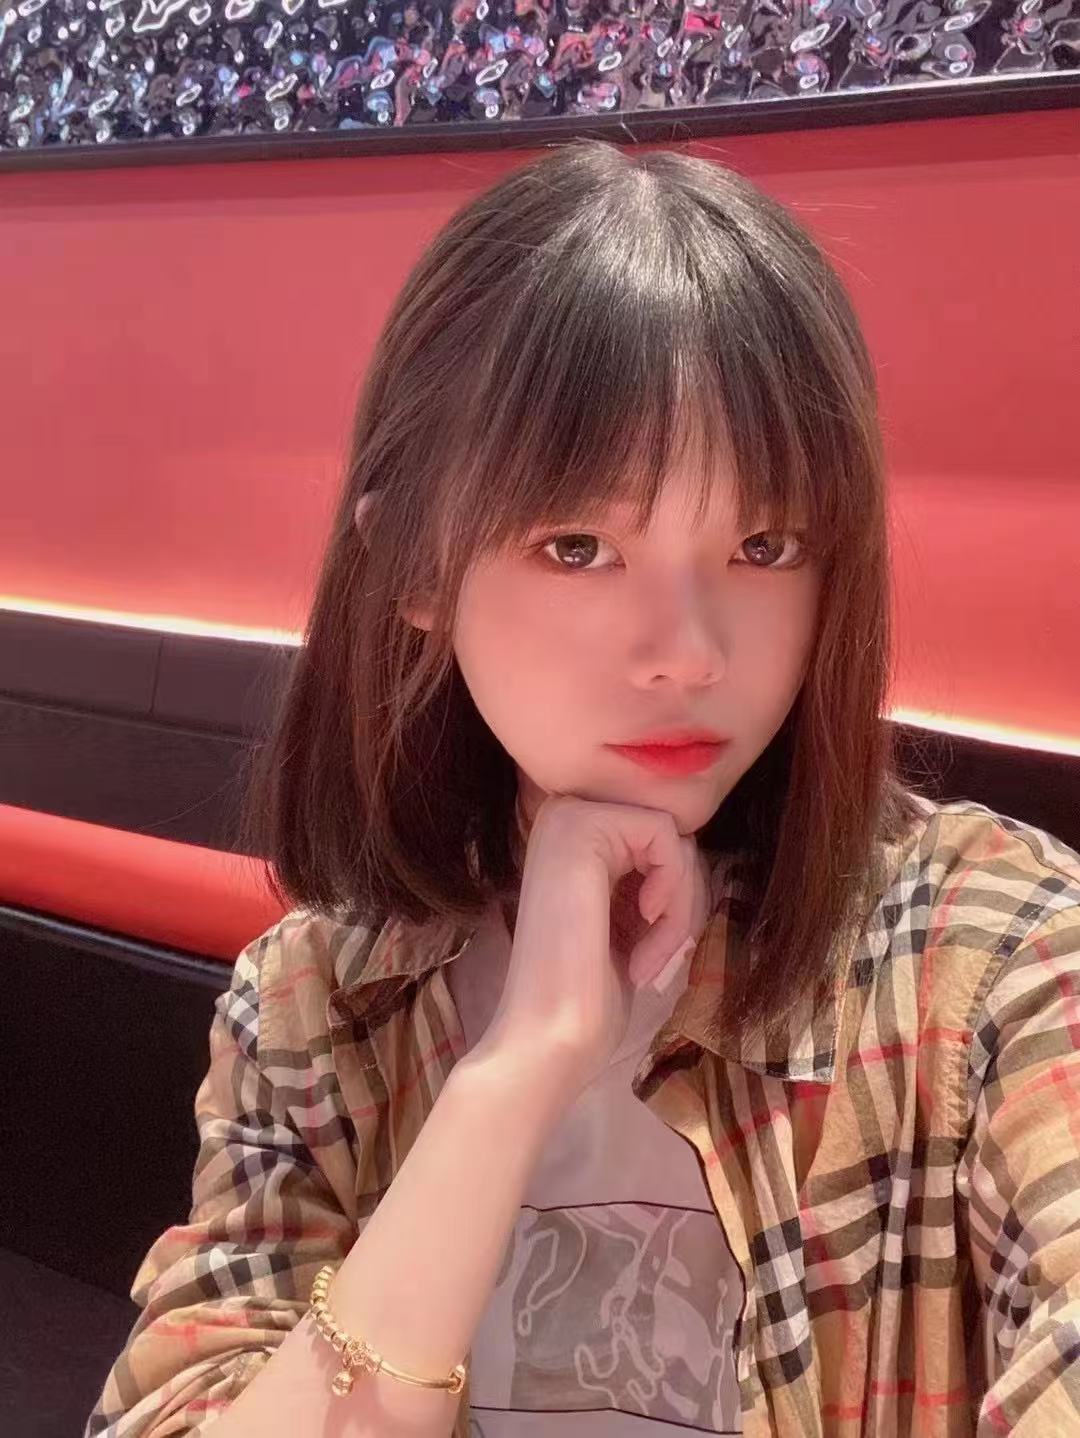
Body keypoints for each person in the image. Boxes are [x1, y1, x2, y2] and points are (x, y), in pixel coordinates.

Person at [85, 138, 1080, 1438]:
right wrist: (511, 1077)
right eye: (579, 546)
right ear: (414, 569)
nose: (691, 651)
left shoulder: (985, 956)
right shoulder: (317, 1004)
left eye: (764, 543)